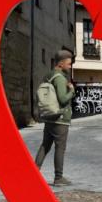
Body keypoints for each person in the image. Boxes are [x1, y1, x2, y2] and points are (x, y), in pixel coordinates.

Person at [34, 49, 75, 186]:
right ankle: (58, 178)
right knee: (60, 148)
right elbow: (63, 99)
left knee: (45, 145)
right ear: (61, 63)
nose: (70, 66)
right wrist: (72, 91)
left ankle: (34, 172)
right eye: (69, 64)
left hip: (49, 116)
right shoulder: (60, 78)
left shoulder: (48, 76)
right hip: (60, 118)